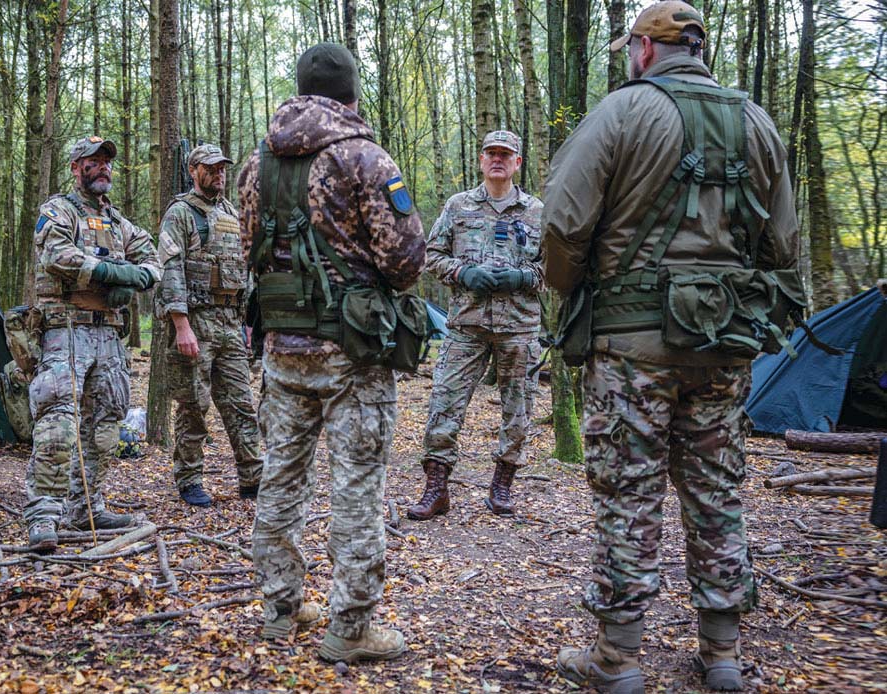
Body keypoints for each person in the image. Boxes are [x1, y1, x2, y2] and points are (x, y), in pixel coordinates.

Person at [542, 3, 799, 692]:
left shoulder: (621, 113)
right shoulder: (757, 121)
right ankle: (722, 653)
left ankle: (617, 658)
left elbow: (563, 223)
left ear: (646, 50)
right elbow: (783, 245)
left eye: (630, 48)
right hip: (723, 345)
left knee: (629, 494)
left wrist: (572, 289)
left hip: (632, 346)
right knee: (717, 492)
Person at [237, 43, 425, 663]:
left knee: (280, 479)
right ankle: (350, 626)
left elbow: (248, 252)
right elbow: (405, 261)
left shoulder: (256, 163)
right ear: (352, 94)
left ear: (300, 89)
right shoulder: (363, 158)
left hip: (280, 348)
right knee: (357, 488)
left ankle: (279, 607)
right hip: (351, 354)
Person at [24, 136, 162, 552]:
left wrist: (138, 276)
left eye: (106, 161)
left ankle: (86, 506)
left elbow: (152, 259)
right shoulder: (59, 211)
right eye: (94, 161)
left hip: (108, 335)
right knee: (58, 424)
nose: (103, 167)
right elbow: (57, 256)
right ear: (75, 167)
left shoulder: (119, 223)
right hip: (66, 330)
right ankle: (44, 515)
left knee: (106, 425)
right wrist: (111, 272)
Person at [408, 130, 545, 521]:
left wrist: (524, 277)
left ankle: (502, 488)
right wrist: (463, 272)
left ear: (517, 162)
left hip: (519, 328)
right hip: (466, 326)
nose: (497, 159)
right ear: (482, 160)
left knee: (518, 412)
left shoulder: (536, 211)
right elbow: (431, 255)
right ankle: (436, 489)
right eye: (491, 153)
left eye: (505, 154)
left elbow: (554, 265)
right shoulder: (458, 206)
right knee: (444, 405)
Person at [155, 143, 263, 508]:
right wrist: (181, 325)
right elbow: (170, 268)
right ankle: (189, 479)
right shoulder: (181, 213)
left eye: (222, 168)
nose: (219, 174)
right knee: (193, 405)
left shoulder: (231, 213)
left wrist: (247, 323)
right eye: (211, 168)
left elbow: (243, 270)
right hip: (196, 322)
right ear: (193, 170)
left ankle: (252, 476)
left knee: (241, 404)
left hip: (230, 323)